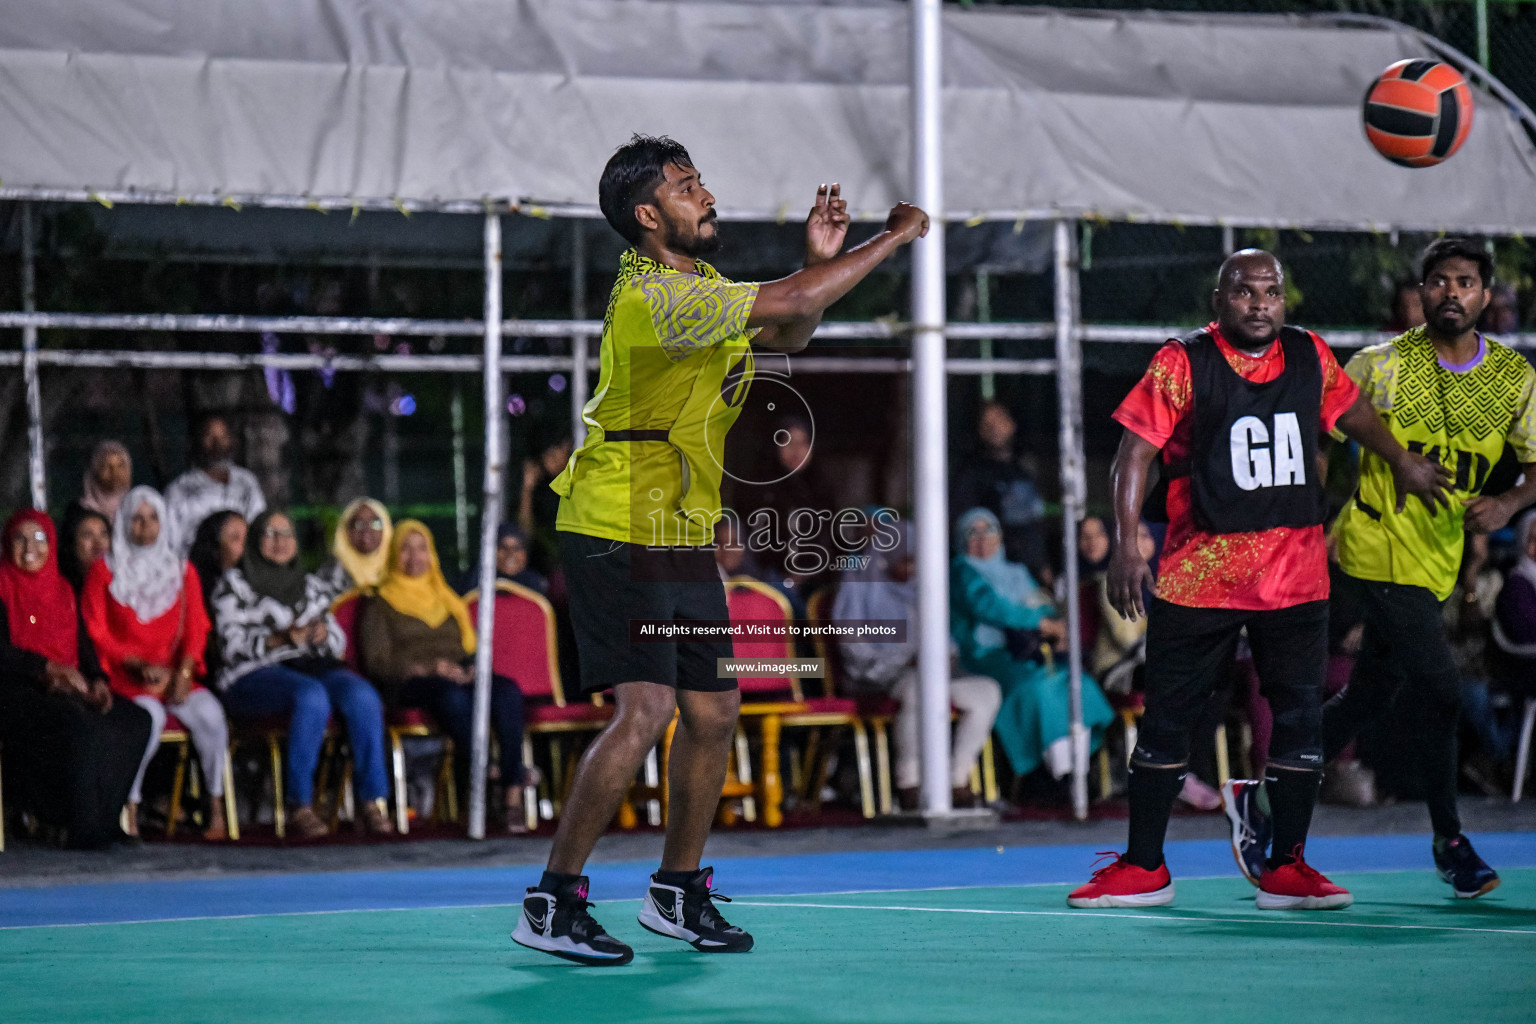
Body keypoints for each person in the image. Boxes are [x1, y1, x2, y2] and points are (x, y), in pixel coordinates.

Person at [512, 134, 929, 967]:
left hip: (677, 529)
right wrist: (891, 238)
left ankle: (676, 891)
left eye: (701, 178)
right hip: (611, 524)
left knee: (714, 708)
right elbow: (793, 300)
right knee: (648, 711)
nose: (705, 193)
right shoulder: (655, 299)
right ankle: (552, 901)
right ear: (646, 215)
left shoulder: (699, 286)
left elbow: (793, 330)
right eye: (686, 185)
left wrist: (822, 265)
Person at [1068, 249, 1449, 912]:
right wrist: (1127, 540)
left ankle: (1287, 866)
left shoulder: (1310, 355)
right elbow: (1136, 452)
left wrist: (1401, 460)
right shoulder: (1182, 361)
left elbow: (1354, 412)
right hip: (1200, 573)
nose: (1259, 303)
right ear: (1220, 299)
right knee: (1168, 722)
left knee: (1299, 719)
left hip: (1294, 572)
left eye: (1271, 292)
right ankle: (1144, 866)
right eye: (1245, 292)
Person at [1231, 239, 1536, 901]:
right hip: (1371, 544)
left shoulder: (1514, 379)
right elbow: (1307, 427)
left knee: (1369, 696)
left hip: (1438, 556)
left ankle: (1262, 796)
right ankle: (1450, 841)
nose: (1450, 292)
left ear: (1485, 295)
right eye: (1438, 281)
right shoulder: (1378, 367)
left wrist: (1510, 500)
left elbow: (1531, 463)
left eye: (1464, 282)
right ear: (1421, 294)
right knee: (1442, 688)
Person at [213, 511, 393, 840]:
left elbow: (338, 640)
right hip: (253, 675)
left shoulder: (309, 585)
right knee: (311, 697)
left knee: (362, 695)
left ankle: (370, 801)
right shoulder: (233, 586)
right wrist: (281, 639)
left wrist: (323, 634)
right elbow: (229, 646)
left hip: (311, 666)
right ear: (255, 540)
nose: (281, 541)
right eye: (270, 533)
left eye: (287, 534)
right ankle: (300, 805)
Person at [357, 521, 528, 833]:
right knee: (454, 698)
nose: (414, 556)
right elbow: (378, 662)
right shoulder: (379, 602)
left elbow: (470, 646)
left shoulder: (447, 597)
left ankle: (511, 794)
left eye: (421, 548)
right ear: (395, 554)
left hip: (458, 675)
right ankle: (484, 770)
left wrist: (473, 668)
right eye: (406, 548)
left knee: (506, 692)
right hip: (412, 683)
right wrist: (430, 668)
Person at [81, 487, 231, 840]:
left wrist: (183, 671)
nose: (145, 527)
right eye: (137, 519)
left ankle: (216, 807)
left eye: (152, 519)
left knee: (210, 715)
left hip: (175, 675)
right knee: (150, 719)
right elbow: (95, 631)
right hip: (125, 678)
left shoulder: (181, 571)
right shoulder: (105, 571)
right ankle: (128, 808)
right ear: (124, 523)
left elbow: (197, 628)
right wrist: (132, 662)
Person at [0, 510, 153, 849]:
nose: (30, 547)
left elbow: (83, 647)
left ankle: (106, 819)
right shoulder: (2, 586)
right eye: (20, 539)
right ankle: (81, 827)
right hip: (15, 689)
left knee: (135, 720)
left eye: (39, 539)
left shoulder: (62, 589)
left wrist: (97, 680)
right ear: (6, 545)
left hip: (69, 687)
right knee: (78, 723)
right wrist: (46, 668)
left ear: (51, 545)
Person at [834, 521, 1001, 810]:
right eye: (904, 560)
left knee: (986, 692)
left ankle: (956, 778)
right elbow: (852, 645)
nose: (911, 568)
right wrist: (902, 658)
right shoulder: (859, 585)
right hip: (877, 676)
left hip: (931, 674)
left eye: (915, 560)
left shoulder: (923, 590)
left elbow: (943, 639)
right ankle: (909, 782)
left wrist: (943, 655)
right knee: (918, 688)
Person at [950, 508, 1113, 786]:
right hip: (986, 657)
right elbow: (987, 605)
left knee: (1075, 682)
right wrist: (1040, 622)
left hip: (1029, 654)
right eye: (972, 532)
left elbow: (1040, 603)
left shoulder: (1015, 571)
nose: (982, 538)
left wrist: (1053, 623)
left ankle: (1079, 772)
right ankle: (1048, 776)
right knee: (1038, 688)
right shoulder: (961, 570)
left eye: (988, 530)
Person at [952, 401, 1049, 571]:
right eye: (987, 424)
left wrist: (1043, 562)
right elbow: (965, 525)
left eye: (999, 420)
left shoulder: (1026, 468)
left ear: (1012, 424)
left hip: (1030, 566)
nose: (994, 428)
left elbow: (1036, 521)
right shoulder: (971, 473)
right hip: (992, 568)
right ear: (980, 431)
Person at [164, 414, 267, 558]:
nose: (217, 443)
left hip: (243, 562)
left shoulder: (246, 481)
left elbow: (259, 521)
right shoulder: (180, 488)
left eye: (223, 436)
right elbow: (171, 540)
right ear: (197, 441)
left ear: (231, 440)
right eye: (209, 436)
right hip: (197, 565)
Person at [316, 497, 393, 601]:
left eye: (375, 523)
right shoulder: (329, 575)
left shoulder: (397, 569)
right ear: (344, 530)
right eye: (358, 524)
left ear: (386, 528)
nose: (366, 530)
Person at [519, 435, 574, 576]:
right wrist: (527, 489)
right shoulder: (542, 489)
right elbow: (525, 534)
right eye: (546, 456)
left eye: (553, 455)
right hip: (548, 570)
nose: (548, 462)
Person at [460, 523, 547, 596]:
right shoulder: (473, 582)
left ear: (525, 553)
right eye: (503, 547)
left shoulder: (536, 585)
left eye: (517, 548)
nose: (510, 554)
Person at [72, 440, 134, 524]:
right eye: (107, 467)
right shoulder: (81, 514)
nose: (115, 473)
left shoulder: (135, 509)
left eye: (120, 466)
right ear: (95, 472)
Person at [58, 506, 112, 594]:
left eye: (104, 534)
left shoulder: (121, 584)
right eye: (88, 535)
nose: (99, 543)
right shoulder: (63, 591)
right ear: (72, 543)